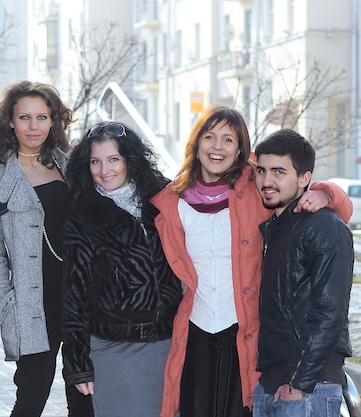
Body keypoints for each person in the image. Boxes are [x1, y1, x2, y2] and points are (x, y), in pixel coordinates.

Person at [150, 105, 352, 417]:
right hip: (195, 330)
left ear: (241, 150)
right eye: (210, 136)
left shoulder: (255, 188)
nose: (218, 147)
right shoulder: (172, 199)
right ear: (196, 142)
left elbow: (304, 189)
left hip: (245, 333)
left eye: (228, 140)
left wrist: (328, 192)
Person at [0, 80, 94, 417]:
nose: (33, 126)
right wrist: (7, 300)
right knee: (31, 396)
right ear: (10, 121)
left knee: (85, 398)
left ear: (53, 121)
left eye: (42, 117)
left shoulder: (72, 168)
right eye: (24, 117)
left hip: (78, 298)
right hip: (30, 304)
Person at [60, 121, 183, 416]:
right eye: (95, 162)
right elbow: (73, 295)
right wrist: (77, 364)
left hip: (169, 346)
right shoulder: (83, 216)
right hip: (114, 349)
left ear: (130, 159)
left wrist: (317, 189)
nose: (105, 171)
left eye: (113, 159)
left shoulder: (163, 202)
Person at [252, 128, 353, 417]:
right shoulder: (277, 227)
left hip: (308, 387)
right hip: (271, 383)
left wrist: (299, 383)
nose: (267, 181)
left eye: (279, 172)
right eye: (262, 171)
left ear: (304, 178)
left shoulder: (324, 227)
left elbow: (329, 312)